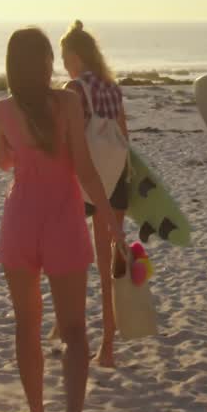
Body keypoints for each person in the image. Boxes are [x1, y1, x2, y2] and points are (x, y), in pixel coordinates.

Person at [0, 26, 117, 412]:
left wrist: (20, 147)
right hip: (64, 221)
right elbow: (83, 166)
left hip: (21, 221)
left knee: (27, 323)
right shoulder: (67, 102)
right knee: (76, 331)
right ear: (45, 62)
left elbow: (4, 162)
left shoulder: (0, 110)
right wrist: (108, 218)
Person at [60, 20, 130, 369]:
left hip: (87, 181)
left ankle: (75, 331)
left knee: (74, 256)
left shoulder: (74, 88)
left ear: (73, 55)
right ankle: (108, 346)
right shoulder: (111, 87)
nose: (62, 63)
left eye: (63, 56)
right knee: (109, 265)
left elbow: (65, 138)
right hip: (116, 176)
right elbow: (124, 134)